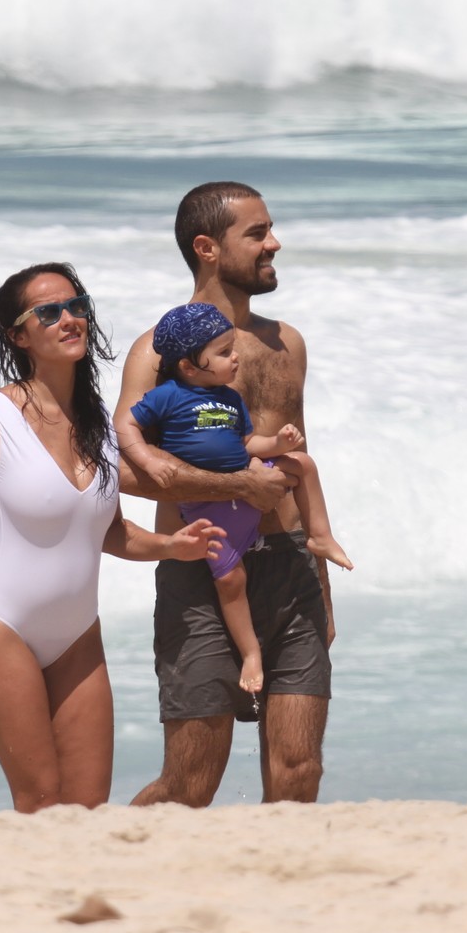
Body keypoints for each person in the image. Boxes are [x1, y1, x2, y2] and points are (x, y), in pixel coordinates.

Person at [0, 262, 225, 814]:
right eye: (49, 312)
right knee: (39, 798)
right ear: (19, 335)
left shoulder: (102, 427)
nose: (70, 319)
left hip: (78, 634)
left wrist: (172, 547)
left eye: (77, 306)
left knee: (87, 806)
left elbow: (106, 532)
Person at [116, 181, 338, 807]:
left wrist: (320, 575)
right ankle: (112, 860)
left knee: (298, 772)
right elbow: (126, 469)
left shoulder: (285, 343)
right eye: (258, 233)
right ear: (208, 248)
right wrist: (237, 483)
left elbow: (294, 462)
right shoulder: (159, 351)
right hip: (201, 566)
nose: (275, 243)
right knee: (190, 782)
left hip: (291, 566)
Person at [116, 300, 352, 699]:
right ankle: (251, 654)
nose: (235, 357)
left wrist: (277, 443)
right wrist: (143, 457)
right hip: (210, 515)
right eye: (224, 352)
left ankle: (320, 536)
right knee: (232, 580)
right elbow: (124, 426)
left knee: (303, 464)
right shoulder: (169, 396)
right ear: (190, 366)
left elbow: (247, 442)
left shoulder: (228, 398)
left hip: (259, 514)